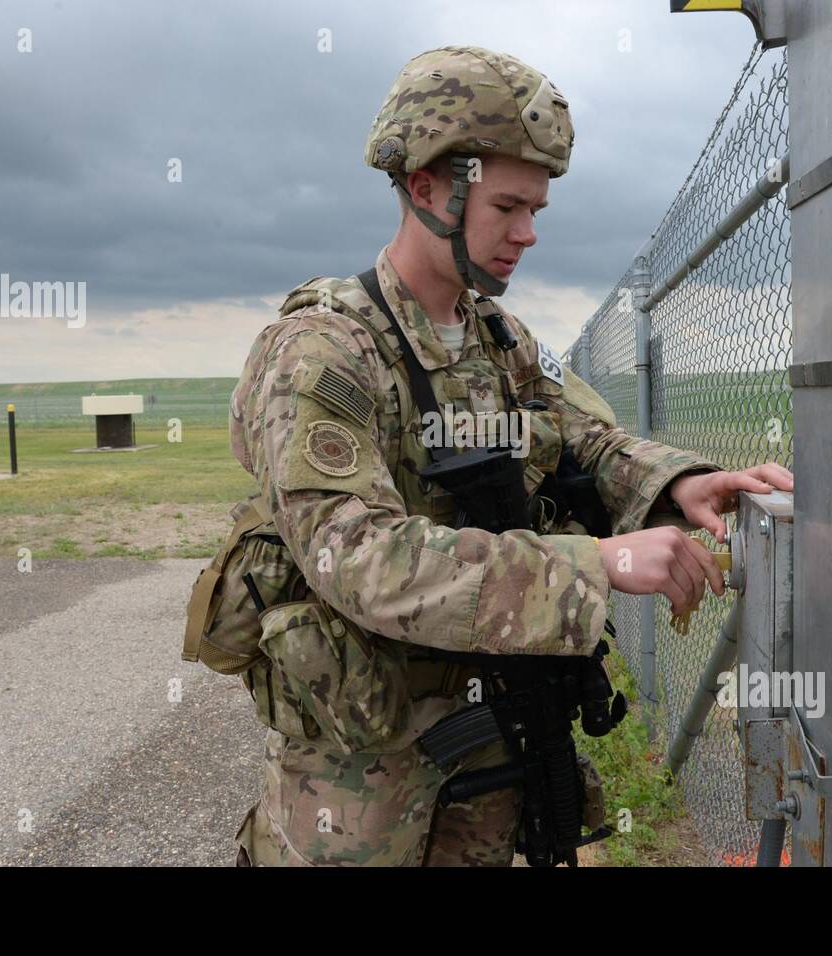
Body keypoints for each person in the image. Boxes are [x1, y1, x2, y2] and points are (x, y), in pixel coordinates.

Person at [223, 44, 793, 866]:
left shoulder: (501, 339)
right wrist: (595, 563)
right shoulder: (324, 352)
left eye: (538, 210)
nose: (527, 234)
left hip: (494, 742)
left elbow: (581, 439)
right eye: (507, 206)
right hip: (363, 779)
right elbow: (358, 557)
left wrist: (684, 482)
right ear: (426, 188)